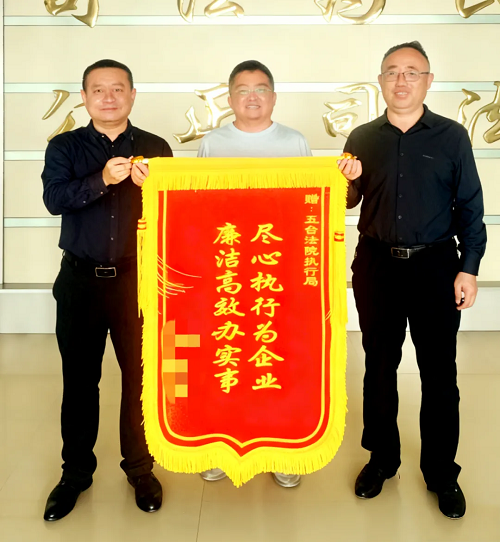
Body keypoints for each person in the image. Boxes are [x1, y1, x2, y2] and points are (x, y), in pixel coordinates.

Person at [338, 41, 486, 520]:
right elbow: (346, 201)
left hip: (436, 266)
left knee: (439, 372)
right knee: (379, 366)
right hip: (377, 265)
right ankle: (382, 459)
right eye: (392, 72)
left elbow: (471, 205)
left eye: (412, 72)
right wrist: (346, 181)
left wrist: (469, 267)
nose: (401, 81)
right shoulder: (362, 137)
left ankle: (441, 471)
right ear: (380, 80)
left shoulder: (451, 137)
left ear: (428, 80)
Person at [41, 59, 173, 521]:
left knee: (140, 379)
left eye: (118, 88)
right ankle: (75, 473)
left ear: (133, 95)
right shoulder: (65, 146)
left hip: (137, 282)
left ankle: (140, 468)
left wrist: (156, 190)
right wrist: (104, 179)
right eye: (99, 90)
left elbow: (174, 212)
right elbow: (54, 199)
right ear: (84, 98)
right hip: (80, 281)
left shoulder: (156, 148)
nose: (109, 97)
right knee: (80, 382)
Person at [200, 59, 311, 487]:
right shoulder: (213, 143)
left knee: (277, 362)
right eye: (243, 90)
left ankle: (281, 449)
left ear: (273, 97)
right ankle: (221, 445)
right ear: (229, 98)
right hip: (228, 271)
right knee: (227, 358)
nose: (252, 97)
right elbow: (198, 205)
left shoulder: (295, 142)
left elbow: (309, 204)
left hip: (277, 272)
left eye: (261, 89)